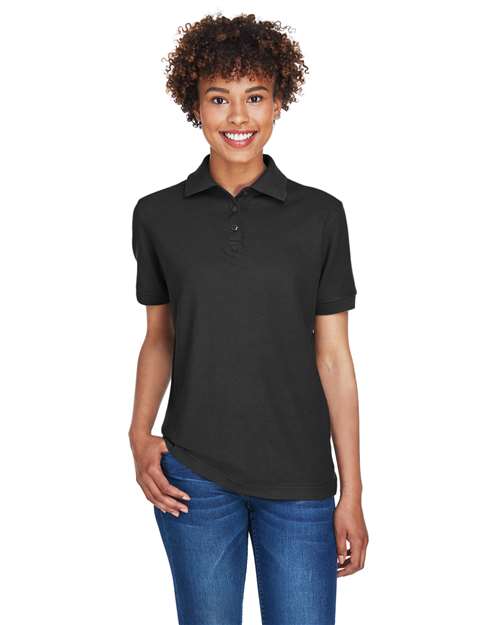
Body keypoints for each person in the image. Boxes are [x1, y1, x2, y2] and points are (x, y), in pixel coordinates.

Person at [129, 12, 368, 625]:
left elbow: (334, 357)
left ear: (278, 103)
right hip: (194, 479)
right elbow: (160, 337)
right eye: (219, 99)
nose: (238, 116)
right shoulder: (157, 215)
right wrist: (139, 433)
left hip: (301, 481)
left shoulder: (321, 216)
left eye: (255, 97)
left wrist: (352, 491)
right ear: (195, 107)